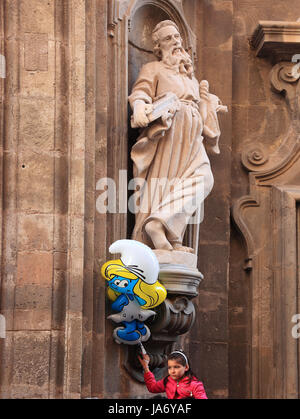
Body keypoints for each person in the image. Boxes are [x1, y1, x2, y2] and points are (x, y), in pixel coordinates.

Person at [129, 20, 224, 253]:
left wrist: (208, 103)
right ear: (159, 47)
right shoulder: (154, 69)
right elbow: (140, 92)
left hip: (192, 138)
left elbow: (201, 110)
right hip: (169, 132)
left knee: (203, 179)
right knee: (166, 182)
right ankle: (162, 236)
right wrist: (140, 107)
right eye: (169, 39)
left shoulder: (190, 78)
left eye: (177, 37)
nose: (176, 42)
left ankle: (160, 222)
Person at [138, 350, 208, 399]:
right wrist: (146, 367)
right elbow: (152, 387)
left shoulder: (195, 385)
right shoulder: (167, 381)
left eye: (176, 367)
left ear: (186, 367)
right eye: (169, 368)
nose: (172, 371)